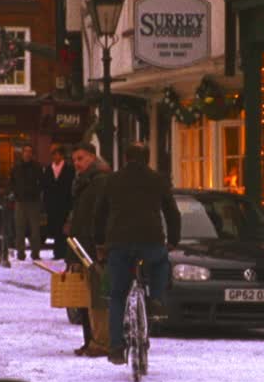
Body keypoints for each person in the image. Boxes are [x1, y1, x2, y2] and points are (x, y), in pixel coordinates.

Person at [93, 142, 181, 365]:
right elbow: (172, 212)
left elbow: (100, 213)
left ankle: (115, 347)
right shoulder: (158, 179)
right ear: (148, 158)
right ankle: (157, 299)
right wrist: (173, 241)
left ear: (125, 158)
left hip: (119, 242)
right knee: (161, 263)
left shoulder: (112, 180)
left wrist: (100, 243)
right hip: (151, 239)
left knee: (117, 295)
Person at [64, 143, 111, 357]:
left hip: (91, 245)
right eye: (74, 160)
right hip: (81, 243)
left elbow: (98, 214)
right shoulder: (84, 181)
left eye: (80, 158)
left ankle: (99, 341)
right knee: (84, 297)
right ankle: (89, 340)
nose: (77, 163)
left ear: (92, 157)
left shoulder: (99, 180)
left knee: (96, 295)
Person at [9, 144, 44, 261]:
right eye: (26, 151)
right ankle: (20, 253)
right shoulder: (16, 167)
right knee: (19, 229)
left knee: (35, 230)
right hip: (20, 202)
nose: (28, 154)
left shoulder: (37, 167)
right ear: (22, 153)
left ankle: (35, 253)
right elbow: (12, 182)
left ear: (32, 154)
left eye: (30, 151)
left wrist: (37, 193)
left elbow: (42, 183)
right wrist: (15, 193)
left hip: (34, 202)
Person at [41, 144, 75, 261]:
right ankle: (57, 252)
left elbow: (71, 186)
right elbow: (45, 187)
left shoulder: (69, 168)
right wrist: (45, 204)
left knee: (64, 229)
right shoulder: (48, 169)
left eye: (55, 154)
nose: (53, 157)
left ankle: (65, 252)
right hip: (52, 205)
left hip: (65, 203)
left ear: (61, 154)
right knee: (55, 229)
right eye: (52, 154)